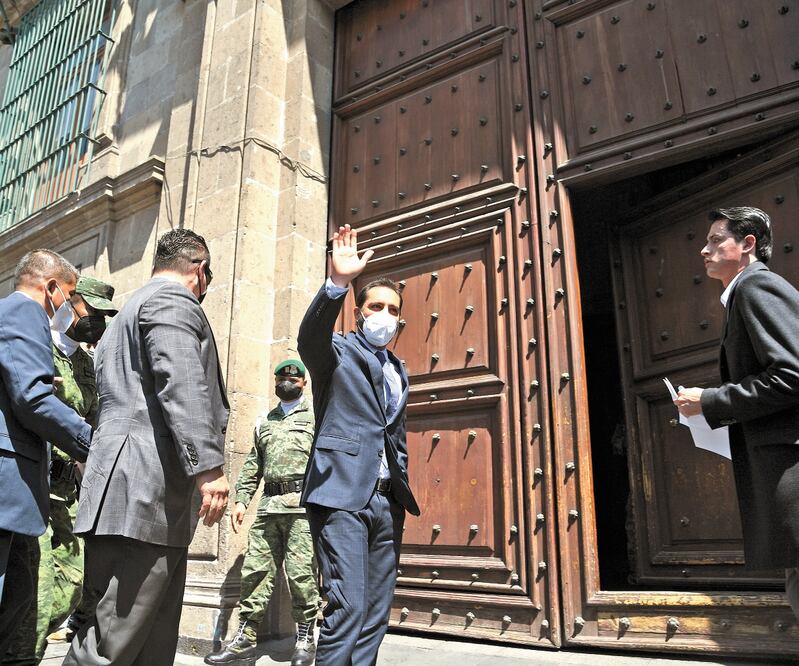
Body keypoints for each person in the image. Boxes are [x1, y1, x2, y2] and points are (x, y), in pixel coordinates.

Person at [64, 229, 231, 666]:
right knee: (111, 642)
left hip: (133, 495)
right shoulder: (172, 302)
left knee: (149, 643)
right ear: (199, 269)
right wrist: (209, 467)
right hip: (145, 495)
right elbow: (182, 383)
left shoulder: (123, 317)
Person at [297, 224, 420, 665]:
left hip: (387, 503)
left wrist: (401, 485)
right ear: (359, 314)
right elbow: (308, 339)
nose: (383, 314)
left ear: (399, 322)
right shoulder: (336, 352)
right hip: (342, 494)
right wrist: (338, 284)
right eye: (375, 306)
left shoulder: (398, 370)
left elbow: (393, 434)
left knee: (373, 615)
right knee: (347, 606)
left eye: (391, 309)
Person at [675, 206, 799, 620]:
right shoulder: (744, 294)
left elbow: (793, 374)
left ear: (747, 245)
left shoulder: (756, 287)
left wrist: (710, 401)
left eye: (715, 240)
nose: (703, 250)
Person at [3, 276, 118, 666]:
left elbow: (95, 419)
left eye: (104, 316)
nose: (97, 321)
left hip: (68, 490)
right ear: (72, 301)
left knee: (73, 581)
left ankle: (20, 643)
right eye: (93, 311)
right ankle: (22, 656)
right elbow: (31, 403)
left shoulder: (87, 364)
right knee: (35, 580)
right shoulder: (37, 343)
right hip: (33, 481)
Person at [205, 359, 319, 666]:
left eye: (293, 380)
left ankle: (305, 639)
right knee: (255, 572)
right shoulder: (264, 421)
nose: (287, 383)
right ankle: (244, 641)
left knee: (302, 575)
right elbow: (253, 466)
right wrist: (242, 500)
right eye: (281, 378)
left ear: (303, 384)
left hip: (301, 511)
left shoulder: (316, 417)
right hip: (268, 509)